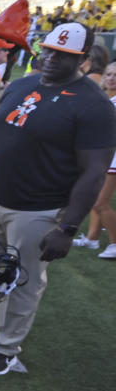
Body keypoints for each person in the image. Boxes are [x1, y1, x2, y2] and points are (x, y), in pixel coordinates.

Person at [0, 23, 116, 374]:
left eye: (63, 55)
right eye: (47, 50)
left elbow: (94, 171)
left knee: (22, 278)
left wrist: (68, 226)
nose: (50, 58)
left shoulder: (95, 106)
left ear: (83, 60)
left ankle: (6, 347)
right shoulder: (24, 84)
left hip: (39, 207)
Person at [73, 60, 116, 257]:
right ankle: (92, 239)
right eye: (108, 74)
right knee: (95, 199)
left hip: (113, 157)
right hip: (104, 154)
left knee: (99, 202)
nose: (111, 79)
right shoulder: (106, 98)